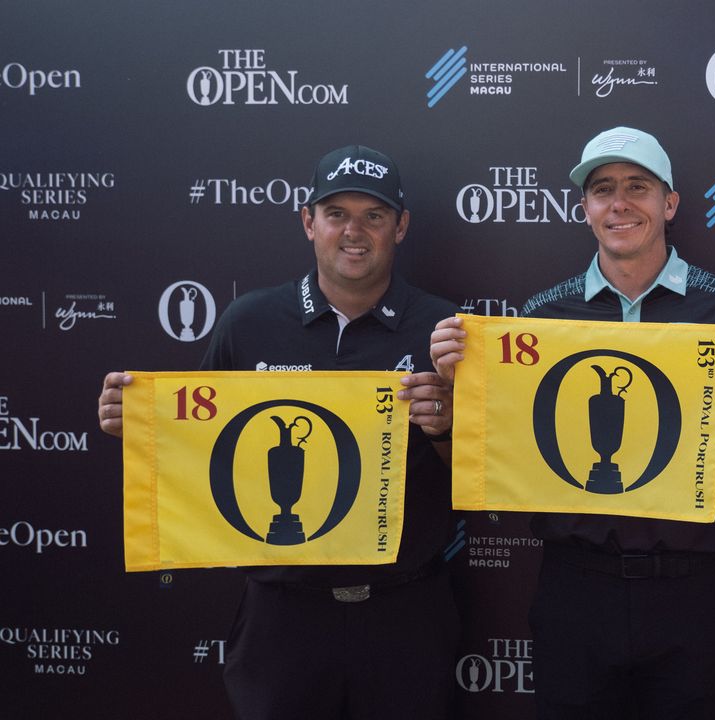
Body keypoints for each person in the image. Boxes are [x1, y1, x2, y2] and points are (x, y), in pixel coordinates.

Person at [97, 145, 460, 720]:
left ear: (401, 227)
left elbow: (483, 473)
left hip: (404, 613)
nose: (354, 232)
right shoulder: (250, 321)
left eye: (374, 215)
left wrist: (445, 430)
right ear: (307, 221)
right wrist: (141, 430)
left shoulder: (445, 328)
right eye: (337, 213)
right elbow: (202, 450)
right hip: (282, 617)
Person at [430, 127, 715, 719]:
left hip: (688, 587)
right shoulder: (541, 318)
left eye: (637, 186)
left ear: (668, 203)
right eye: (602, 189)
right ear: (584, 208)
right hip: (575, 586)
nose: (619, 203)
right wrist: (451, 404)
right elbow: (496, 467)